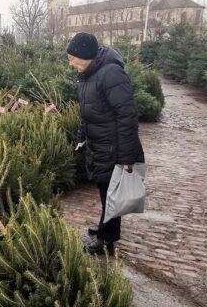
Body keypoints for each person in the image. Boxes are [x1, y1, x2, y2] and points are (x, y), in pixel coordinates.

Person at [67, 32, 145, 255]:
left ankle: (106, 239)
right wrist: (81, 137)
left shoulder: (111, 74)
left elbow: (127, 116)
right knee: (105, 190)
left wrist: (127, 157)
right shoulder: (88, 75)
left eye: (73, 58)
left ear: (86, 55)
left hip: (113, 145)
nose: (70, 63)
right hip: (97, 143)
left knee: (112, 192)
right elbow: (86, 112)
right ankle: (104, 226)